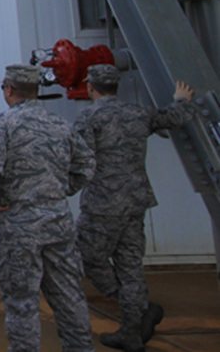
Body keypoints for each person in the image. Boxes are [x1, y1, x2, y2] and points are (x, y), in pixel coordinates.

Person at [0, 64, 95, 352]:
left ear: (9, 90)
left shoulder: (1, 126)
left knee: (21, 303)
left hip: (18, 225)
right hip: (57, 222)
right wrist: (57, 192)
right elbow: (86, 165)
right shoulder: (59, 125)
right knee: (69, 296)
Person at [74, 65, 194, 351]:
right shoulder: (139, 113)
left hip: (102, 206)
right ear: (117, 86)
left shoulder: (89, 118)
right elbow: (174, 118)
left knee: (89, 260)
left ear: (90, 87)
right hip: (135, 201)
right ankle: (132, 329)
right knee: (130, 266)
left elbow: (78, 161)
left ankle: (139, 309)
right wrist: (181, 98)